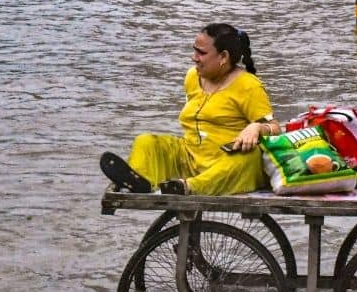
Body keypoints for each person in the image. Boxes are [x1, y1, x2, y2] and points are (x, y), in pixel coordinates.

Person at [101, 23, 281, 196]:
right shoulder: (192, 76)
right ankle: (140, 182)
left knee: (248, 156)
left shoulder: (249, 85)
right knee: (146, 141)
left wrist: (257, 127)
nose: (194, 57)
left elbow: (276, 128)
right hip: (190, 157)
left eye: (201, 53)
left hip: (227, 165)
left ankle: (189, 187)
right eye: (194, 50)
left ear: (223, 57)